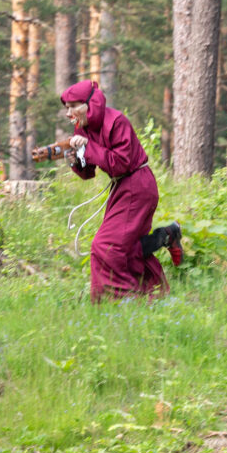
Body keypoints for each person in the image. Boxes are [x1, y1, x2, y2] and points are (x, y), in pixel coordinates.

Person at [60, 79, 182, 303]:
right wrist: (75, 161)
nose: (69, 113)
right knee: (127, 247)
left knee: (106, 246)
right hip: (122, 187)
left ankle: (123, 300)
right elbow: (88, 173)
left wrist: (88, 147)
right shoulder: (82, 128)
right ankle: (165, 241)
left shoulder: (117, 122)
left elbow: (121, 164)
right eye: (67, 108)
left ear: (90, 104)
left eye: (73, 106)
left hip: (138, 185)